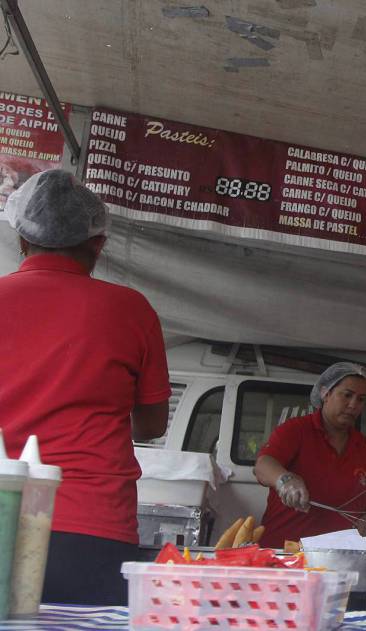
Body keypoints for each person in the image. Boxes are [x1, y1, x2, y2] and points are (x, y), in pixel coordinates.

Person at [0, 169, 171, 605]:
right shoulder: (131, 310)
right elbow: (150, 425)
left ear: (21, 237)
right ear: (97, 241)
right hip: (92, 525)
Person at [253, 362, 366, 548]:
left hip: (337, 555)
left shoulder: (362, 446)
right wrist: (285, 481)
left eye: (361, 399)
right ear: (325, 394)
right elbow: (263, 465)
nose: (353, 405)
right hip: (285, 551)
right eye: (347, 395)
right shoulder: (297, 430)